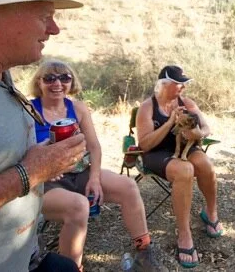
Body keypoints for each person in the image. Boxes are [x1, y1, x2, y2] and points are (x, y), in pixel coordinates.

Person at [0, 0, 87, 271]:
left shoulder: (2, 79)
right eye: (44, 15)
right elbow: (24, 172)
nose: (54, 29)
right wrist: (29, 173)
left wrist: (46, 159)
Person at [28, 60, 168, 271]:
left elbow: (94, 146)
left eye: (64, 78)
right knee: (78, 206)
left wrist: (94, 179)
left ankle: (144, 252)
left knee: (128, 186)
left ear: (71, 82)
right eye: (49, 78)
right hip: (46, 182)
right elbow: (22, 152)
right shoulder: (29, 110)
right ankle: (71, 268)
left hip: (80, 171)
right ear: (39, 82)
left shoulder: (77, 108)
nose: (57, 83)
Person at [136, 65, 221, 269]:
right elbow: (144, 144)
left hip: (184, 147)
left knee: (205, 164)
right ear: (164, 85)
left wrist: (198, 134)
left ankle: (211, 212)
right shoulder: (147, 107)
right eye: (179, 84)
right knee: (185, 170)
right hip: (156, 153)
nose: (183, 87)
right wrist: (170, 123)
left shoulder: (187, 103)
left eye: (184, 84)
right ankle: (184, 233)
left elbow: (206, 127)